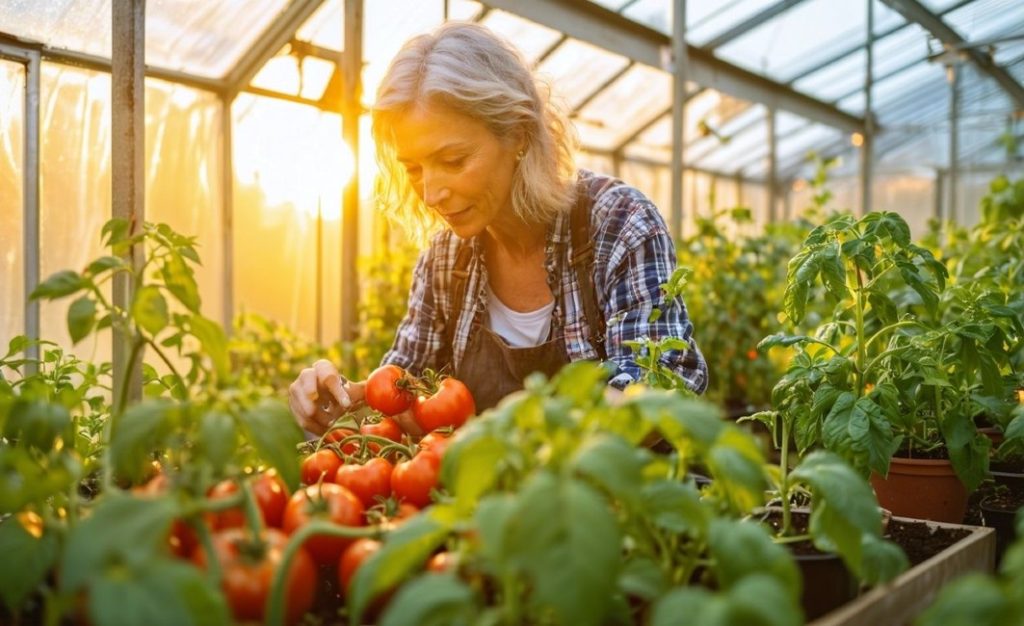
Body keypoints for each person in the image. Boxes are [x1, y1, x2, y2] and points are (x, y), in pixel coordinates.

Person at [288, 22, 707, 436]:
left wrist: (515, 433)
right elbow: (406, 395)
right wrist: (350, 400)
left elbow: (659, 391)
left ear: (519, 135)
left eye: (453, 161)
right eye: (414, 168)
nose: (431, 194)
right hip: (490, 502)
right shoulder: (445, 259)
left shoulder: (618, 224)